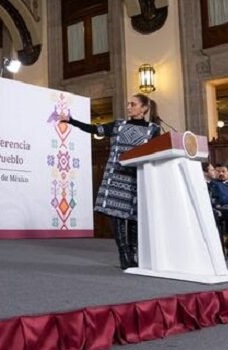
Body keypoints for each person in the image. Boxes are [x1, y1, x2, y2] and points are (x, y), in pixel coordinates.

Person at [60, 94, 161, 269]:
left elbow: (157, 151)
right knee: (117, 216)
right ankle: (124, 254)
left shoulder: (153, 129)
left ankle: (135, 253)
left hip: (138, 177)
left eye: (133, 104)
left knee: (135, 217)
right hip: (115, 176)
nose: (128, 107)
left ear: (144, 108)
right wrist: (72, 121)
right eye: (128, 104)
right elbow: (94, 129)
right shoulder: (118, 125)